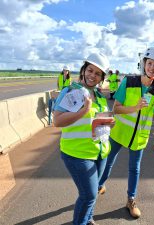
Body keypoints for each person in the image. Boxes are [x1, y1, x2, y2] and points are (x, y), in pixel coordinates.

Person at [98, 46, 154, 219]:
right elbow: (116, 109)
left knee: (134, 169)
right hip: (119, 133)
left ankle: (130, 200)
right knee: (108, 162)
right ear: (144, 63)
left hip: (139, 137)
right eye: (150, 63)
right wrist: (135, 107)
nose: (152, 68)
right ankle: (99, 186)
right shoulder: (129, 81)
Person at [53, 52, 114, 225]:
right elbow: (57, 121)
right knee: (88, 195)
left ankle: (88, 219)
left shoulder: (100, 96)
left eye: (97, 73)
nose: (92, 75)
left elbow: (98, 122)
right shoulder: (72, 92)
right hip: (77, 154)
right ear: (83, 70)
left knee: (92, 193)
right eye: (90, 70)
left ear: (101, 77)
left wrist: (109, 123)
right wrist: (83, 111)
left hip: (99, 152)